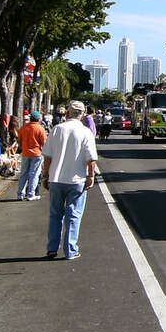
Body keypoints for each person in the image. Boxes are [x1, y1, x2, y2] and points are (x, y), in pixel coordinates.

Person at [41, 100, 98, 260]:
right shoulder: (86, 132)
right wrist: (91, 176)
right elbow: (91, 159)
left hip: (56, 178)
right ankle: (70, 250)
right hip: (77, 179)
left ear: (67, 113)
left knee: (55, 215)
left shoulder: (57, 129)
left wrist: (45, 176)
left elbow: (47, 157)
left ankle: (52, 248)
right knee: (74, 215)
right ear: (83, 115)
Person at [17, 111, 48, 200]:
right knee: (34, 174)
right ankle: (31, 194)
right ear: (38, 119)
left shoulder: (24, 128)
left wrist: (23, 147)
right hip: (37, 153)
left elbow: (19, 140)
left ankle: (20, 193)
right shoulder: (40, 128)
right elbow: (44, 142)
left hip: (26, 153)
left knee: (24, 173)